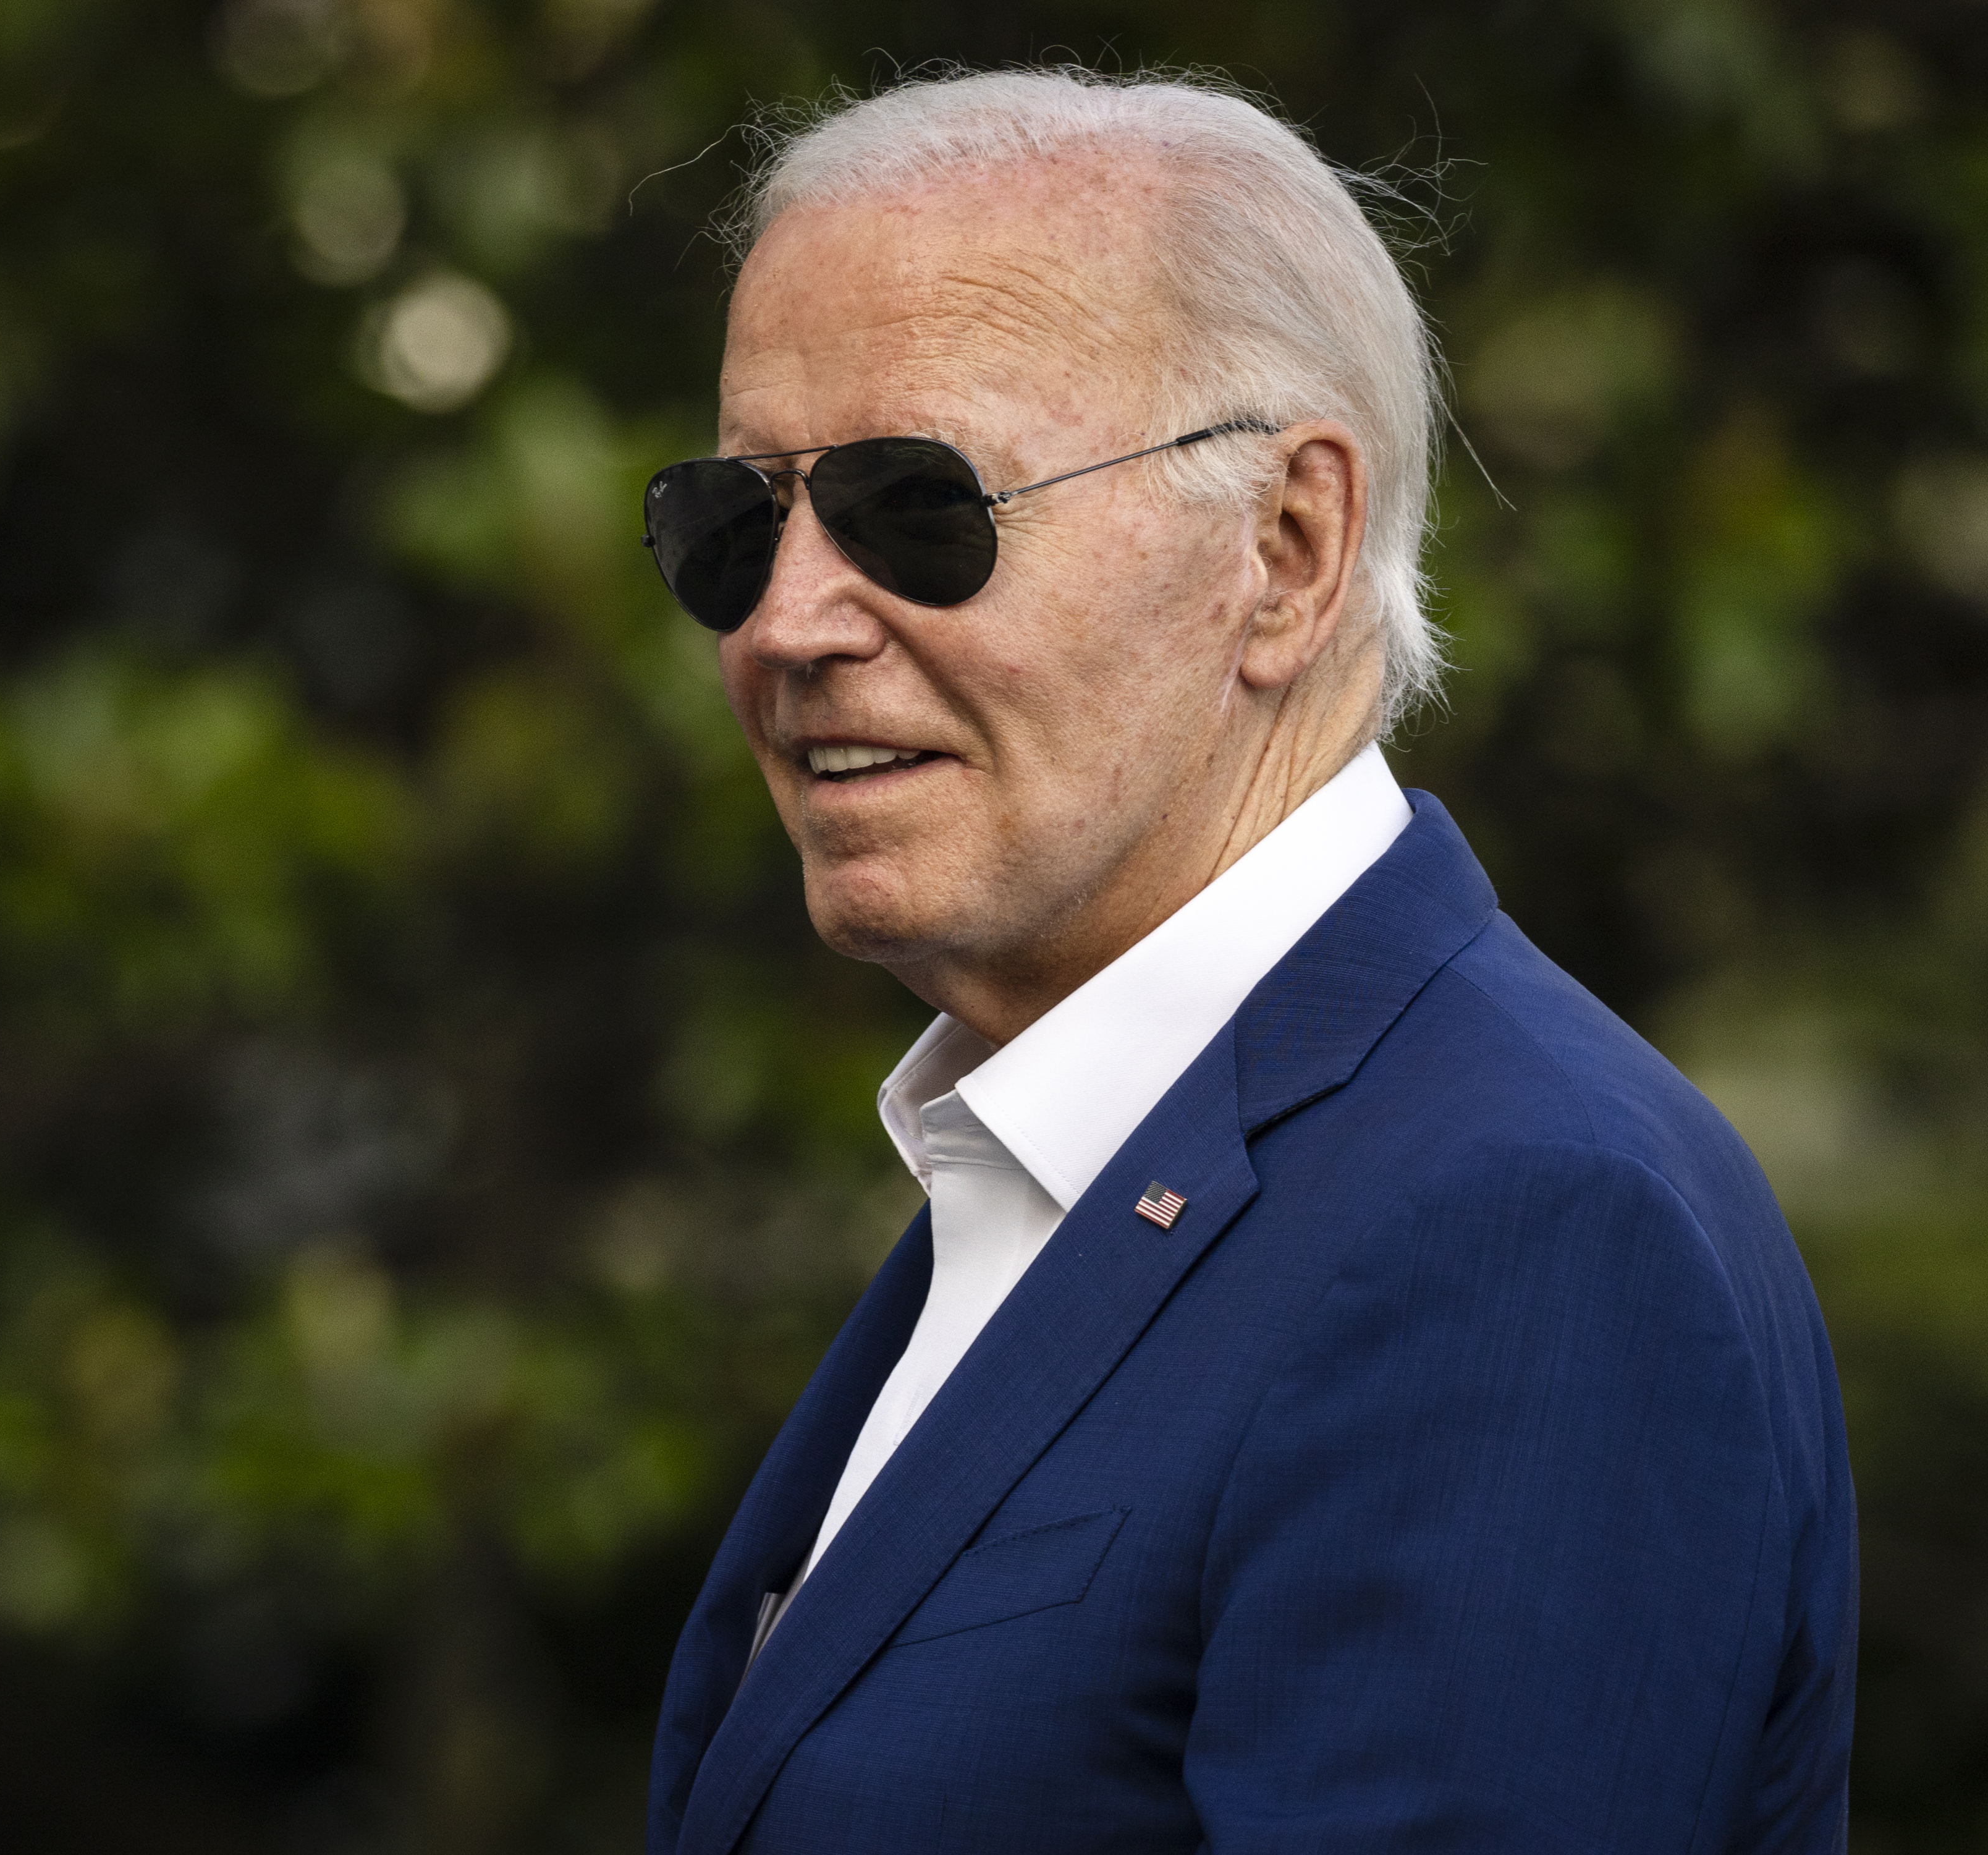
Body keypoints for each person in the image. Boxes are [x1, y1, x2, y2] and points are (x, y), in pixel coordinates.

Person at [639, 67, 1855, 1855]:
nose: (789, 620)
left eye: (919, 506)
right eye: (739, 523)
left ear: (1284, 553)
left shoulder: (1512, 1224)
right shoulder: (1093, 1152)